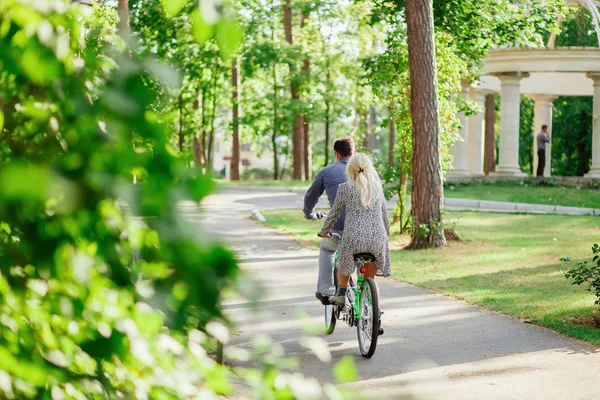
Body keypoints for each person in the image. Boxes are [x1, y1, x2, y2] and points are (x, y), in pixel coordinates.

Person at [317, 153, 391, 307]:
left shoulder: (345, 188)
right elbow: (384, 214)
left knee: (342, 261)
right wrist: (387, 234)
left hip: (353, 239)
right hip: (377, 238)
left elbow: (334, 213)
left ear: (350, 170)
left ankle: (341, 294)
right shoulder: (378, 188)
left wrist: (324, 230)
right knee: (371, 269)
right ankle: (369, 301)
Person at [303, 137, 355, 305]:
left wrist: (309, 214)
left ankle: (326, 290)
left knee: (327, 250)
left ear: (336, 154)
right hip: (365, 228)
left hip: (338, 229)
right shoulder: (366, 171)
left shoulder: (327, 171)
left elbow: (311, 196)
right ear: (353, 152)